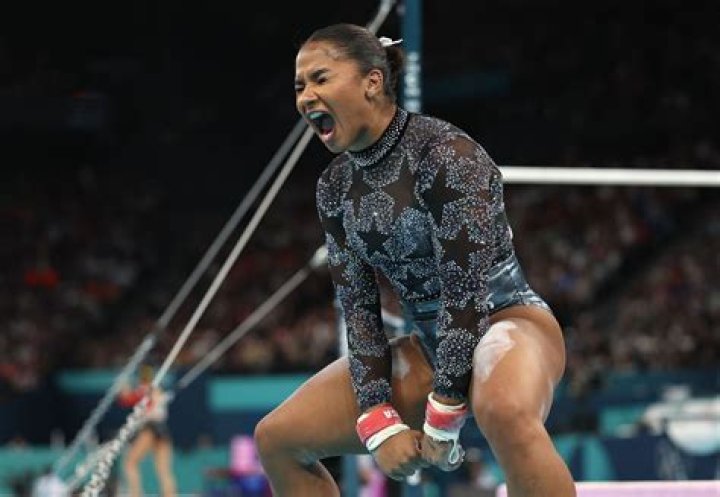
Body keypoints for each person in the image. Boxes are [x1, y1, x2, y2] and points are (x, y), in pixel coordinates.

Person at [254, 23, 576, 497]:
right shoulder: (335, 187)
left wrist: (443, 415)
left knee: (504, 409)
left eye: (320, 79)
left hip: (507, 323)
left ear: (372, 81)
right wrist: (377, 419)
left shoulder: (447, 155)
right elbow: (359, 310)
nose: (306, 97)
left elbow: (465, 293)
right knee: (277, 438)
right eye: (300, 86)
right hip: (429, 345)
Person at [117, 365, 176, 497]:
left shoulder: (144, 390)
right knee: (163, 469)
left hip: (151, 429)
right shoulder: (158, 391)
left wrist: (123, 386)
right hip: (162, 430)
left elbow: (126, 400)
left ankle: (136, 494)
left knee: (130, 463)